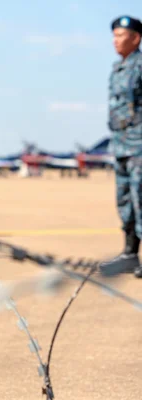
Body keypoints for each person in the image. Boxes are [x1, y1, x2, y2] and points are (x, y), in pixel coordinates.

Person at [99, 16, 142, 277]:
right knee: (124, 200)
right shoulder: (118, 68)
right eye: (114, 36)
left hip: (140, 147)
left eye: (120, 36)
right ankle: (129, 255)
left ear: (135, 38)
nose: (115, 41)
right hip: (122, 146)